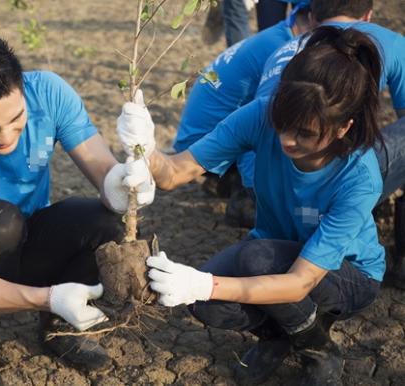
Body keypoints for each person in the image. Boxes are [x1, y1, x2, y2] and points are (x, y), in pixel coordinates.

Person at [118, 26, 389, 385]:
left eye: (305, 133)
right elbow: (175, 172)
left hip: (349, 275)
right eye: (282, 122)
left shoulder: (359, 175)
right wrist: (145, 151)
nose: (285, 139)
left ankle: (319, 348)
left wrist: (204, 283)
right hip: (272, 249)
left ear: (343, 128)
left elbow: (297, 283)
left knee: (251, 263)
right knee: (208, 305)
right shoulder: (260, 115)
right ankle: (280, 336)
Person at [0, 27, 154, 385]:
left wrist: (122, 182)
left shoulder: (49, 93)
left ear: (22, 86)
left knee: (105, 222)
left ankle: (61, 327)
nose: (6, 137)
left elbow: (102, 171)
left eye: (15, 119)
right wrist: (47, 297)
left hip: (36, 237)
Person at [253, 0, 405, 283]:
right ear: (368, 16)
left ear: (311, 16)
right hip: (325, 179)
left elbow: (251, 121)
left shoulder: (283, 47)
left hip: (268, 183)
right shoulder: (388, 41)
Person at [176, 0, 312, 227]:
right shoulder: (284, 52)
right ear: (312, 17)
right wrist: (255, 193)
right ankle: (243, 199)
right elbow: (256, 123)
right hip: (201, 146)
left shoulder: (278, 36)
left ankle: (227, 181)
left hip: (198, 137)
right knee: (278, 125)